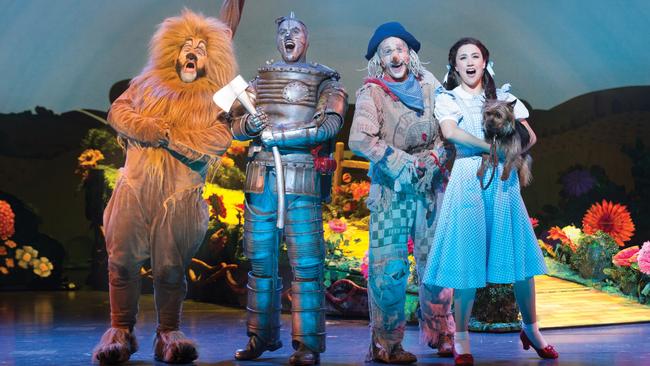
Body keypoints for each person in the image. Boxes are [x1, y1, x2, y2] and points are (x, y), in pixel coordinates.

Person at [92, 9, 237, 364]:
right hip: (136, 188)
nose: (192, 52)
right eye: (186, 45)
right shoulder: (146, 84)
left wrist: (169, 136)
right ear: (171, 50)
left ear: (212, 57)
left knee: (172, 269)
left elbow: (217, 140)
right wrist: (151, 129)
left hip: (180, 194)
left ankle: (168, 332)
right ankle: (120, 330)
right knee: (122, 261)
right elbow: (119, 113)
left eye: (201, 48)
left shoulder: (219, 97)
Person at [421, 37, 559, 365]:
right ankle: (461, 338)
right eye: (463, 57)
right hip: (469, 180)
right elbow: (452, 133)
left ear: (485, 62)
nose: (470, 62)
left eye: (476, 56)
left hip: (503, 184)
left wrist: (511, 150)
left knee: (522, 264)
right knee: (466, 266)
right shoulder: (448, 98)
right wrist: (490, 148)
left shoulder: (502, 97)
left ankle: (532, 329)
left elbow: (530, 135)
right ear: (454, 65)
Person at [230, 12, 347, 366]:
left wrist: (281, 135)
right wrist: (248, 123)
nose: (289, 36)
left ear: (306, 39)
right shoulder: (259, 79)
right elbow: (233, 124)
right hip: (261, 180)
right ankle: (260, 336)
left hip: (302, 180)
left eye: (296, 31)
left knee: (307, 265)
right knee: (261, 263)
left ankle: (307, 345)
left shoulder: (325, 79)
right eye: (283, 31)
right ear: (277, 39)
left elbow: (330, 124)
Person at [348, 22, 455, 364]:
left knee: (436, 265)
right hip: (392, 191)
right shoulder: (373, 92)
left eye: (399, 49)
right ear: (379, 60)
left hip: (429, 189)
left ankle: (442, 334)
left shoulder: (429, 85)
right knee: (389, 269)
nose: (395, 55)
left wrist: (437, 157)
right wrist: (404, 163)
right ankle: (387, 344)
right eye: (386, 51)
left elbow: (449, 126)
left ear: (409, 53)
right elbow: (360, 138)